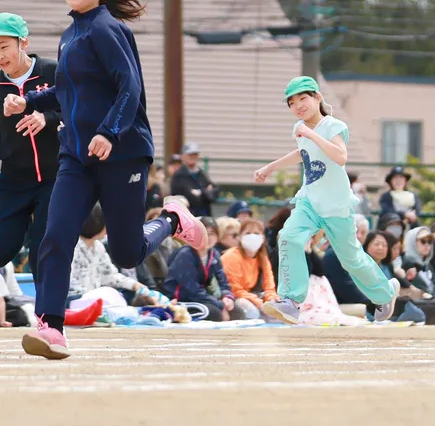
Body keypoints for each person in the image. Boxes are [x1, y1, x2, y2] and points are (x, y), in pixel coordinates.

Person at [2, 0, 206, 359]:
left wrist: (110, 133)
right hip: (76, 156)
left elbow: (129, 89)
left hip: (122, 155)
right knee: (54, 235)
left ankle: (171, 218)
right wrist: (31, 101)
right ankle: (51, 328)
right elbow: (67, 89)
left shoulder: (107, 30)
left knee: (127, 251)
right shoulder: (69, 35)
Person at [252, 76, 399, 324]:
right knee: (288, 237)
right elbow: (303, 153)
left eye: (303, 98)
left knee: (350, 258)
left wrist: (310, 133)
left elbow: (340, 156)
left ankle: (385, 294)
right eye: (291, 102)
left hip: (335, 204)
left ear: (317, 98)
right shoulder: (300, 129)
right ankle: (291, 301)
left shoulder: (333, 125)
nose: (298, 105)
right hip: (309, 200)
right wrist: (270, 167)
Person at [0, 13, 60, 290]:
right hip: (15, 178)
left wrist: (45, 118)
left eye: (4, 46)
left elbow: (76, 109)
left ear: (23, 42)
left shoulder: (52, 71)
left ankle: (46, 316)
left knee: (42, 254)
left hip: (54, 176)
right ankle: (23, 221)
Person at [220, 218, 277, 320]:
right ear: (240, 237)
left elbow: (269, 286)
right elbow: (234, 289)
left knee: (278, 313)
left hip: (251, 295)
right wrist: (259, 303)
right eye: (248, 233)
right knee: (252, 313)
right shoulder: (231, 256)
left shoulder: (263, 258)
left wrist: (272, 299)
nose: (252, 236)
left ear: (263, 238)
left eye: (256, 233)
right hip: (231, 297)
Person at [169, 142, 217, 217]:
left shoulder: (201, 174)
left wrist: (200, 192)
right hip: (187, 217)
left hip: (205, 216)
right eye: (190, 155)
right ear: (182, 156)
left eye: (195, 155)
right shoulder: (179, 176)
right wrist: (206, 192)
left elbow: (214, 193)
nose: (193, 157)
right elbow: (191, 198)